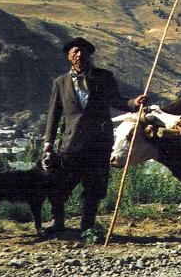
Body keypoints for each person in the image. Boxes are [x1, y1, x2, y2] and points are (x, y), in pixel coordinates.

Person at [43, 37, 146, 235]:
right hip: (70, 144)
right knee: (60, 185)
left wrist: (134, 102)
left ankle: (87, 226)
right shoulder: (60, 82)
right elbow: (53, 115)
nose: (80, 55)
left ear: (89, 55)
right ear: (69, 57)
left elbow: (117, 100)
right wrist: (48, 143)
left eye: (83, 52)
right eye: (75, 52)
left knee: (94, 187)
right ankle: (58, 224)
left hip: (99, 143)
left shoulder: (104, 77)